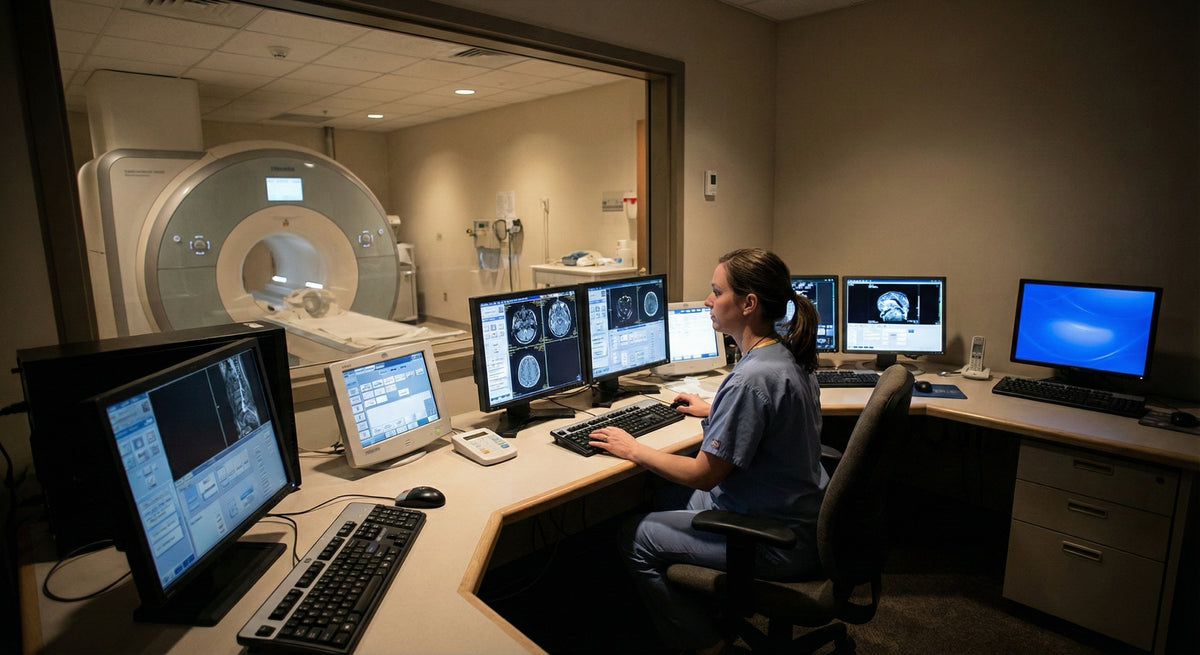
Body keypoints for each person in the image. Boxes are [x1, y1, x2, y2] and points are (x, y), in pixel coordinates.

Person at [587, 248, 827, 654]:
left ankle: (707, 643)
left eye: (716, 292)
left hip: (775, 539)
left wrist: (634, 450)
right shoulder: (788, 356)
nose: (706, 301)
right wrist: (716, 408)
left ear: (748, 304)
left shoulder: (749, 380)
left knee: (633, 537)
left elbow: (704, 474)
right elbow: (769, 419)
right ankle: (713, 610)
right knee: (667, 496)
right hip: (800, 516)